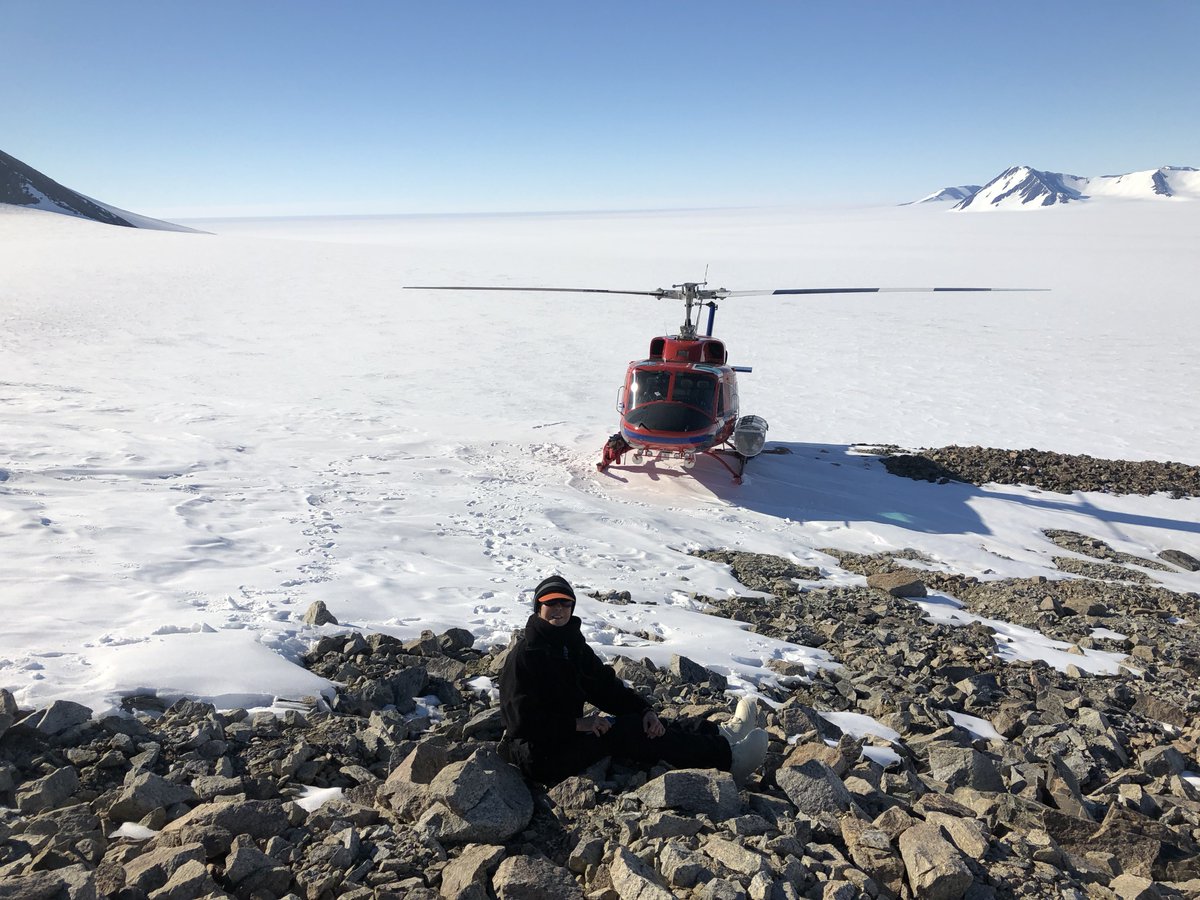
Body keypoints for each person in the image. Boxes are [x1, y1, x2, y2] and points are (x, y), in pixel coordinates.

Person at [499, 574, 769, 787]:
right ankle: (728, 759)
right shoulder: (525, 656)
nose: (558, 609)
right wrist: (579, 724)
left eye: (565, 603)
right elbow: (520, 723)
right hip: (540, 756)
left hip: (565, 738)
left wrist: (644, 710)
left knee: (644, 722)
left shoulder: (571, 646)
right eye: (551, 603)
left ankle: (721, 734)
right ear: (538, 608)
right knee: (628, 731)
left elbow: (604, 688)